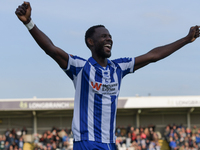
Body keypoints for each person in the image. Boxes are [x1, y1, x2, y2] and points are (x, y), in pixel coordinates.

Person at [15, 2, 200, 150]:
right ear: (90, 41)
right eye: (103, 36)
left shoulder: (118, 67)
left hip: (110, 143)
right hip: (87, 142)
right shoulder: (81, 67)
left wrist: (185, 39)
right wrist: (29, 23)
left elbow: (153, 56)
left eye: (110, 36)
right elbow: (51, 49)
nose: (109, 39)